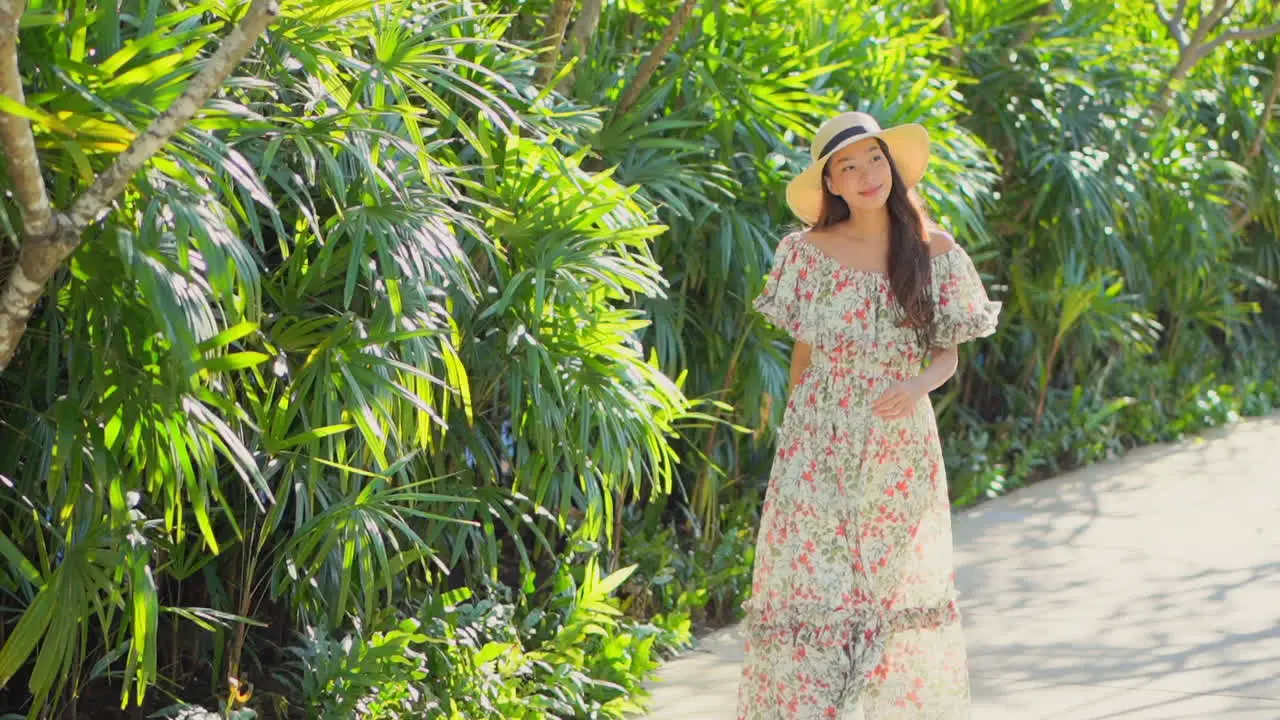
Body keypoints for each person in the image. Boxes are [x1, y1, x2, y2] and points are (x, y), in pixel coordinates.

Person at [737, 111, 1001, 719]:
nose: (864, 175)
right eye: (847, 167)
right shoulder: (804, 253)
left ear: (892, 164)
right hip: (817, 443)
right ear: (830, 184)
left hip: (897, 448)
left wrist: (913, 387)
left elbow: (948, 357)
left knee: (888, 598)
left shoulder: (935, 252)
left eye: (873, 159)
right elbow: (803, 351)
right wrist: (797, 442)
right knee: (816, 593)